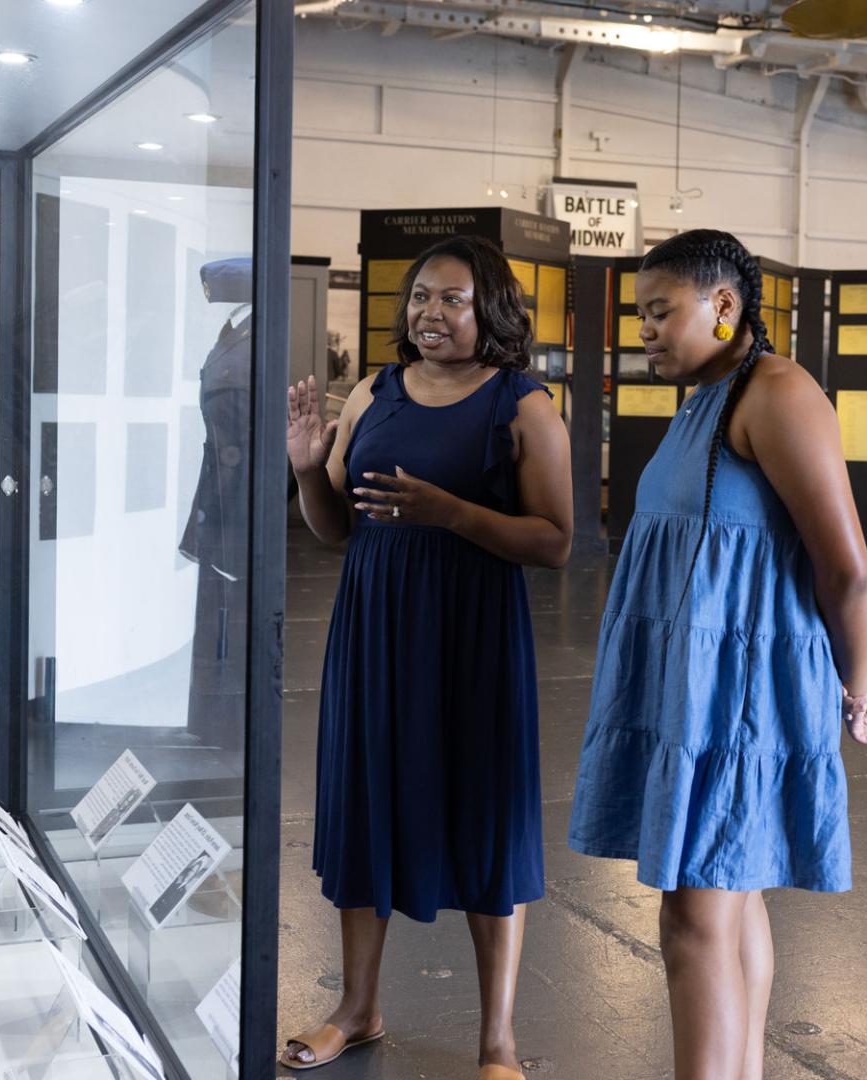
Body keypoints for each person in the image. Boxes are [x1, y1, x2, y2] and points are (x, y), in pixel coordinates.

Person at [567, 229, 867, 1080]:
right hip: (699, 690)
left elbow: (846, 568)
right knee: (731, 912)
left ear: (725, 306)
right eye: (639, 315)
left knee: (694, 922)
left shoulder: (778, 394)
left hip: (738, 698)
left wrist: (856, 680)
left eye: (660, 312)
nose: (644, 331)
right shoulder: (712, 396)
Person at [283, 234, 573, 1078]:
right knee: (366, 802)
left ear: (493, 309)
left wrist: (451, 514)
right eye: (419, 297)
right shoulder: (375, 391)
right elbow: (339, 527)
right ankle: (358, 1008)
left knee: (485, 815)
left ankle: (497, 1040)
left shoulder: (524, 405)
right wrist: (306, 473)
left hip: (473, 635)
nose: (430, 313)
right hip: (374, 627)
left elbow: (555, 542)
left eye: (452, 298)